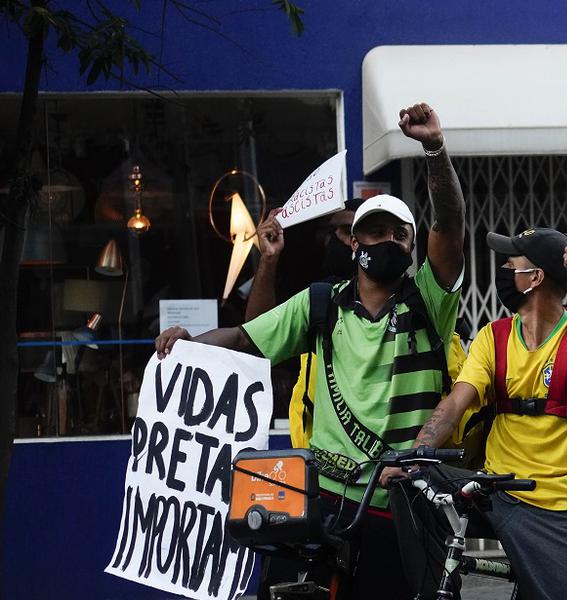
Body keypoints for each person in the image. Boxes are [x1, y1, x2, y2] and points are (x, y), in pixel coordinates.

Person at [154, 102, 465, 600]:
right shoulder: (321, 302)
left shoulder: (429, 299)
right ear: (354, 242)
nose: (387, 241)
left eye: (399, 235)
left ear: (413, 247)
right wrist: (190, 348)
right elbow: (244, 340)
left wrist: (434, 148)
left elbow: (449, 221)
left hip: (403, 505)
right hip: (322, 502)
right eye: (375, 232)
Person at [379, 226, 567, 600]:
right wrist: (416, 454)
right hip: (496, 491)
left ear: (534, 277)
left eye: (511, 264)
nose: (503, 271)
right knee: (411, 483)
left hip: (561, 508)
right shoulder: (494, 336)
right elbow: (455, 403)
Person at [246, 197, 365, 448]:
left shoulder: (397, 303)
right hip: (316, 455)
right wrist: (268, 258)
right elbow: (256, 335)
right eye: (329, 232)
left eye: (346, 231)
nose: (334, 240)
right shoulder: (317, 300)